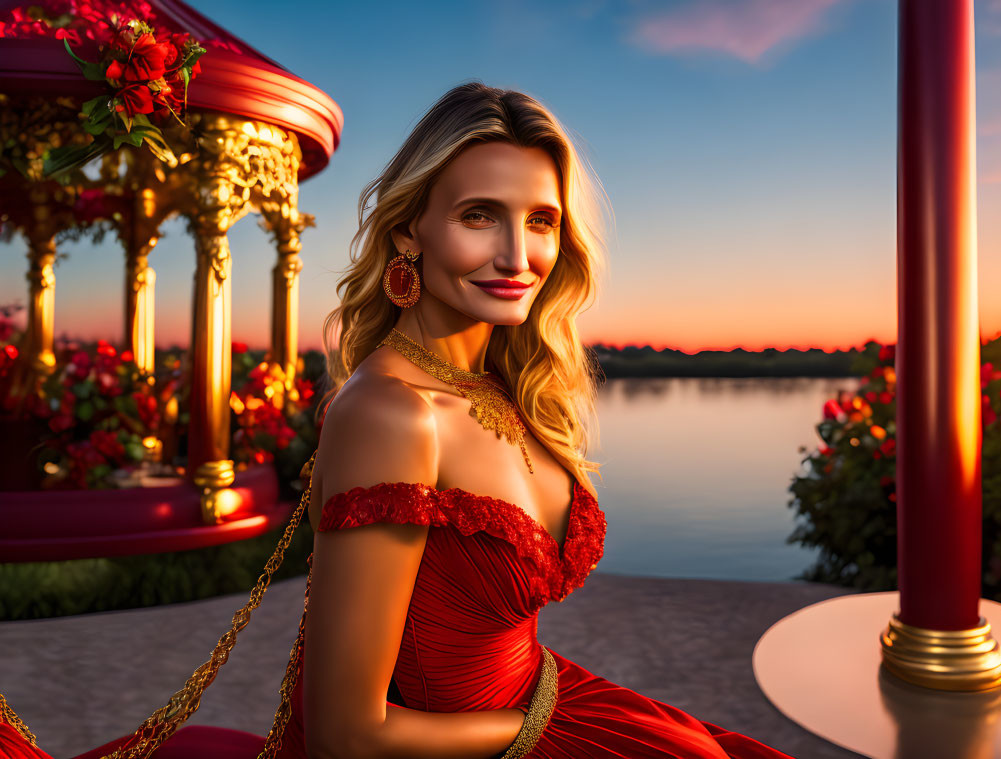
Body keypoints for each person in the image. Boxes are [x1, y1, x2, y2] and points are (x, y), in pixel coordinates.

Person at [2, 81, 796, 759]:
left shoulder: (503, 383)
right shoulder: (392, 413)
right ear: (410, 228)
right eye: (481, 216)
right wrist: (536, 728)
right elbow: (350, 735)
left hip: (547, 700)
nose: (518, 255)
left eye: (542, 220)